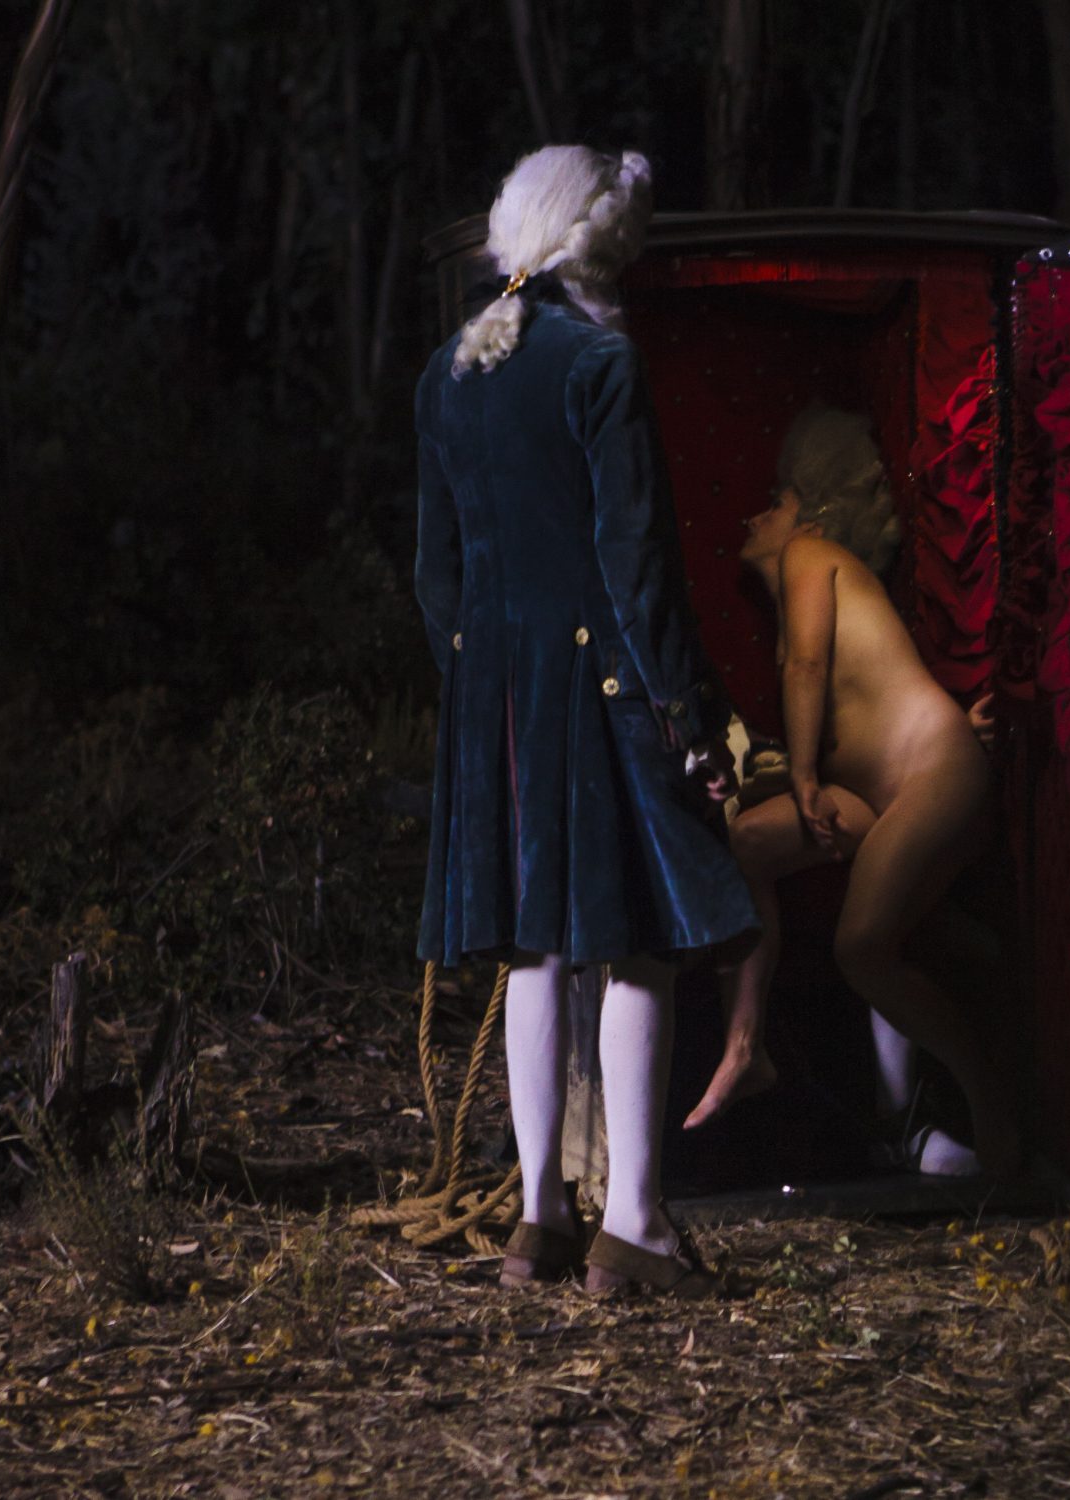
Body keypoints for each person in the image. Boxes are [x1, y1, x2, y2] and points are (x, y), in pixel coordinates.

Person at [414, 145, 754, 1298]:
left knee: (536, 949)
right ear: (600, 246)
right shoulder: (600, 361)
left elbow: (437, 578)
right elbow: (635, 564)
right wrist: (689, 717)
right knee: (638, 940)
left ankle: (541, 1220)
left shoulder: (446, 372)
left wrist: (481, 694)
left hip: (497, 706)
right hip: (604, 687)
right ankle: (637, 1225)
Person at [680, 407, 1019, 1178]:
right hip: (884, 791)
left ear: (816, 511)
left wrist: (803, 778)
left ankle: (992, 1107)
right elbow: (863, 695)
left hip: (931, 775)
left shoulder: (811, 554)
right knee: (747, 844)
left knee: (861, 948)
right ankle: (746, 1046)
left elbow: (809, 671)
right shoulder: (807, 586)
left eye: (777, 501)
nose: (755, 517)